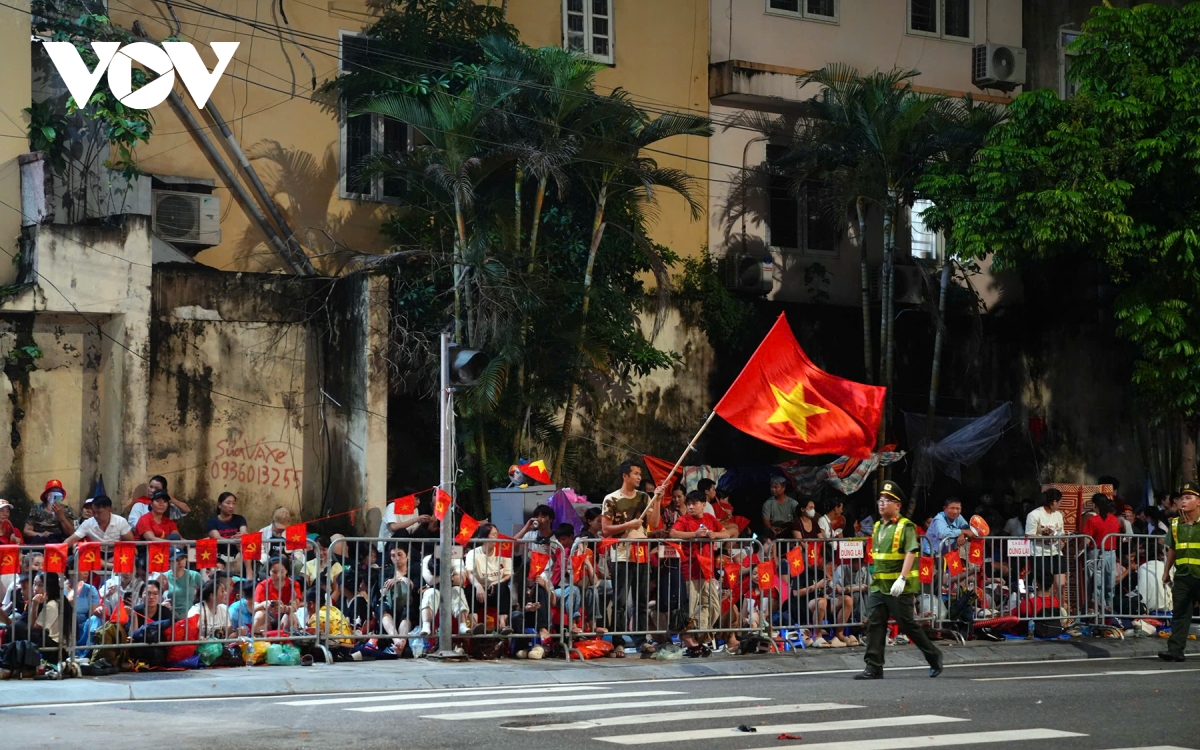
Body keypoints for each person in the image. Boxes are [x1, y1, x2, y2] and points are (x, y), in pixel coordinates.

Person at [856, 480, 942, 680]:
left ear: (897, 506)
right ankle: (873, 666)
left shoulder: (906, 526)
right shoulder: (878, 526)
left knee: (907, 624)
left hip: (898, 587)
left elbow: (911, 551)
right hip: (879, 585)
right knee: (875, 624)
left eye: (887, 500)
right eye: (881, 500)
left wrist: (902, 578)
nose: (882, 503)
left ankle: (933, 655)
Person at [601, 460, 662, 653]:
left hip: (641, 554)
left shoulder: (644, 497)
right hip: (621, 555)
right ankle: (617, 641)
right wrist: (629, 525)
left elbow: (654, 522)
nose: (639, 477)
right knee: (620, 602)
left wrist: (657, 500)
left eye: (640, 474)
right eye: (635, 473)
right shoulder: (611, 499)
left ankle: (641, 641)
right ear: (625, 476)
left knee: (641, 601)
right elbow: (605, 529)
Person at [671, 490, 732, 657]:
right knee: (690, 608)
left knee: (713, 606)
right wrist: (695, 535)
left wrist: (714, 534)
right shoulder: (684, 520)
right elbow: (673, 533)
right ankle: (690, 639)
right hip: (690, 571)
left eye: (694, 503)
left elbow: (726, 533)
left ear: (704, 504)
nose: (690, 507)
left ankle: (695, 634)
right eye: (689, 504)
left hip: (708, 571)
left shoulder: (710, 518)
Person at [1159, 481, 1200, 663]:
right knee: (1180, 614)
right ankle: (1175, 650)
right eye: (1182, 498)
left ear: (1198, 502)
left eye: (1188, 498)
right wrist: (1166, 571)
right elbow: (1172, 550)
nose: (1183, 501)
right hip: (1183, 576)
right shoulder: (1176, 524)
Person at [463, 524, 513, 635]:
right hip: (479, 591)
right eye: (494, 535)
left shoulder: (503, 552)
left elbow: (508, 575)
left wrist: (496, 583)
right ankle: (475, 625)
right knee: (469, 589)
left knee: (503, 588)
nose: (497, 537)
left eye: (497, 534)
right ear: (484, 538)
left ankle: (502, 625)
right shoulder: (473, 553)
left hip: (495, 589)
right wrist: (478, 586)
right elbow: (469, 573)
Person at [1025, 488, 1067, 602]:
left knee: (1061, 585)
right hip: (1039, 554)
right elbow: (1029, 535)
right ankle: (1044, 608)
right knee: (1045, 586)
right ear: (1054, 502)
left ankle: (1060, 609)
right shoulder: (1034, 515)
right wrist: (1044, 539)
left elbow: (1061, 532)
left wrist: (1063, 536)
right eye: (1060, 502)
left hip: (1056, 552)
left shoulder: (1058, 515)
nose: (1060, 504)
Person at [1082, 493, 1121, 614]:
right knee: (1109, 583)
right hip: (1111, 554)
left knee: (1095, 584)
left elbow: (1086, 540)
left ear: (1095, 505)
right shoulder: (1114, 519)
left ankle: (1098, 611)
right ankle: (1110, 610)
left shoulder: (1092, 520)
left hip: (1095, 553)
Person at [12, 572, 69, 652]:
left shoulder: (52, 604)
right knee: (17, 626)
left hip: (55, 647)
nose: (35, 588)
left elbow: (33, 628)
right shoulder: (49, 601)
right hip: (49, 640)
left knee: (17, 627)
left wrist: (35, 605)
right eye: (34, 584)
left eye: (40, 585)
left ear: (49, 587)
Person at [253, 557, 303, 634]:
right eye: (274, 572)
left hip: (285, 615)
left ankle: (288, 639)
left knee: (290, 617)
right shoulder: (262, 585)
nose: (278, 575)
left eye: (281, 571)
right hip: (268, 617)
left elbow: (295, 607)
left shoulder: (293, 585)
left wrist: (284, 608)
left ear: (287, 571)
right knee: (259, 615)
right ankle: (259, 639)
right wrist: (264, 604)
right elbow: (254, 608)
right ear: (269, 571)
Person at [64, 495, 134, 545]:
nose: (96, 515)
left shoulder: (120, 521)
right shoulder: (88, 523)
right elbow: (71, 540)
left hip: (116, 554)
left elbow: (130, 543)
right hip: (95, 555)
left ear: (109, 510)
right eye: (94, 512)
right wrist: (60, 549)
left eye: (99, 512)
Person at [23, 479, 75, 544]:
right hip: (40, 541)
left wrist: (61, 516)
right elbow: (26, 531)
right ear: (47, 495)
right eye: (53, 491)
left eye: (59, 491)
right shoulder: (37, 508)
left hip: (58, 542)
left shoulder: (67, 510)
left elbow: (71, 533)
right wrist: (41, 534)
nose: (56, 493)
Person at [165, 551, 204, 620]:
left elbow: (207, 590)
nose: (180, 562)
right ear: (169, 562)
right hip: (170, 615)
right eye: (176, 560)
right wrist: (162, 604)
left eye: (182, 558)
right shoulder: (164, 577)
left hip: (191, 614)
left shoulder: (194, 575)